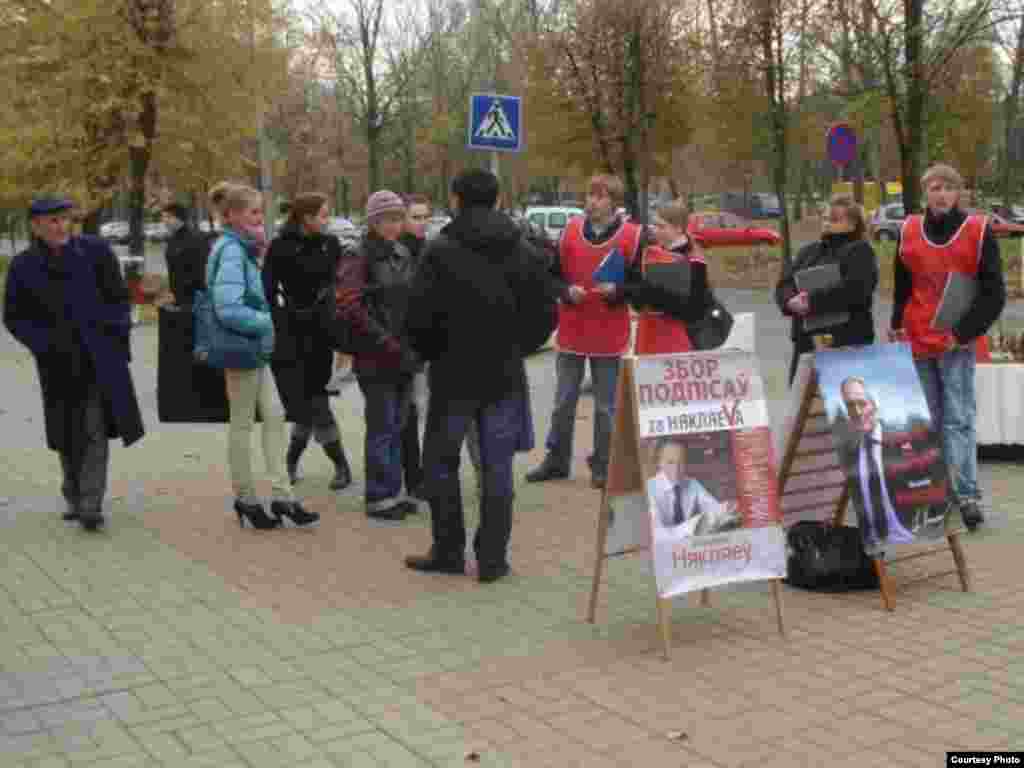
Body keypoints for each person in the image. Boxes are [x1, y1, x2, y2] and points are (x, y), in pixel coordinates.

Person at [402, 169, 557, 582]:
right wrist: (516, 347)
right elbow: (545, 314)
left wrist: (434, 352)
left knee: (439, 463)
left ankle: (449, 550)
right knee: (496, 466)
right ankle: (492, 559)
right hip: (503, 372)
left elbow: (417, 317)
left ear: (455, 199)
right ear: (499, 198)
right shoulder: (522, 250)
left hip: (452, 375)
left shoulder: (439, 251)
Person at [3, 197, 145, 530]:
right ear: (36, 226)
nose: (61, 227)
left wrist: (115, 332)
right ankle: (73, 491)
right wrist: (44, 346)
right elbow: (14, 316)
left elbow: (118, 298)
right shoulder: (23, 265)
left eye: (65, 219)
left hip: (99, 356)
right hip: (57, 362)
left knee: (94, 428)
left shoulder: (94, 252)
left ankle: (91, 503)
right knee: (67, 432)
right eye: (52, 221)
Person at [890, 163, 1005, 531]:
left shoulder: (978, 230)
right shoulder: (908, 229)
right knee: (928, 420)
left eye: (947, 188)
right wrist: (895, 324)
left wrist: (964, 332)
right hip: (917, 336)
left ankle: (967, 494)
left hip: (956, 339)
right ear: (925, 192)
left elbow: (994, 294)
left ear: (958, 193)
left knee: (958, 419)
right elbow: (901, 284)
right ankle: (936, 492)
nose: (940, 194)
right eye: (934, 188)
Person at [209, 185, 319, 530]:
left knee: (274, 415)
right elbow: (227, 308)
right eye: (254, 213)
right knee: (242, 424)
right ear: (232, 217)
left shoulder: (243, 250)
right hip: (242, 349)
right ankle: (245, 498)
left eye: (261, 213)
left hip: (255, 349)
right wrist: (265, 321)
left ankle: (282, 495)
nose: (260, 220)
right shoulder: (230, 251)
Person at [527, 174, 642, 489]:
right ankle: (556, 460)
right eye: (589, 195)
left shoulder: (633, 236)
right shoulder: (569, 231)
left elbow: (642, 286)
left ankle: (603, 465)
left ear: (615, 203)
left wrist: (618, 291)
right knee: (563, 401)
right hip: (573, 330)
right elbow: (550, 277)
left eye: (600, 196)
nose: (591, 201)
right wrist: (565, 291)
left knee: (606, 407)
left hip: (609, 334)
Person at [335, 190, 420, 521]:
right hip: (375, 353)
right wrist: (384, 340)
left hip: (403, 351)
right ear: (373, 221)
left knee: (399, 423)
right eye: (386, 219)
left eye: (398, 218)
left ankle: (394, 490)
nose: (394, 225)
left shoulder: (403, 252)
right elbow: (349, 305)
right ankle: (379, 495)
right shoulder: (358, 255)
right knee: (382, 422)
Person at [263, 193, 351, 491]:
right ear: (306, 217)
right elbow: (268, 289)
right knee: (309, 400)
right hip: (291, 332)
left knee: (315, 398)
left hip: (323, 331)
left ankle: (297, 461)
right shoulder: (280, 247)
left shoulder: (331, 245)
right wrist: (281, 317)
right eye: (323, 215)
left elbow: (340, 286)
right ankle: (338, 464)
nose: (328, 221)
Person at [776, 194, 878, 384]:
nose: (826, 223)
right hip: (806, 344)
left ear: (853, 224)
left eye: (834, 219)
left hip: (845, 343)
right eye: (824, 218)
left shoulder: (860, 250)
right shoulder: (808, 251)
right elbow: (785, 283)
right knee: (800, 407)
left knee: (842, 404)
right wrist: (790, 301)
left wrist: (810, 301)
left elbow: (856, 289)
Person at [615, 199, 712, 354]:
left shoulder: (694, 259)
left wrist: (653, 294)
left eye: (661, 226)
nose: (655, 230)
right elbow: (638, 303)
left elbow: (696, 309)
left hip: (678, 345)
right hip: (648, 340)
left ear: (679, 229)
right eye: (654, 225)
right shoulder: (650, 253)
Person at [839, 377, 920, 551]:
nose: (857, 412)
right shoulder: (848, 451)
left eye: (862, 403)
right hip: (871, 540)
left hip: (911, 534)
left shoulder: (901, 441)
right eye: (850, 406)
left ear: (875, 405)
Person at [398, 193, 432, 498]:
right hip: (406, 343)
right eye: (415, 217)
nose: (422, 223)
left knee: (424, 410)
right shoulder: (400, 252)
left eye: (425, 217)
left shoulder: (430, 249)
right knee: (409, 412)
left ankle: (422, 473)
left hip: (429, 343)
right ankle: (413, 476)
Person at [646, 439, 740, 536]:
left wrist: (726, 508)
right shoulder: (649, 489)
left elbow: (714, 508)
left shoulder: (692, 483)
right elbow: (658, 534)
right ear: (659, 463)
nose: (676, 469)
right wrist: (693, 525)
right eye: (670, 462)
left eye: (681, 462)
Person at [161, 203, 200, 305]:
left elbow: (197, 272)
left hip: (192, 299)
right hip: (177, 297)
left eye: (169, 217)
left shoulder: (193, 239)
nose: (165, 221)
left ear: (180, 218)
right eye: (164, 217)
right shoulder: (172, 239)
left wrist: (180, 295)